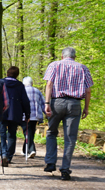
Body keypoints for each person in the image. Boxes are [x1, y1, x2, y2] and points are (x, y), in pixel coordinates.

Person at [43, 47, 93, 180]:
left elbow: (49, 85)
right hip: (75, 104)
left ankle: (50, 163)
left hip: (57, 102)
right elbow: (88, 91)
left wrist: (47, 103)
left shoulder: (54, 65)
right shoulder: (83, 68)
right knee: (70, 138)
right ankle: (65, 169)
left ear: (62, 56)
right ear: (75, 57)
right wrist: (86, 108)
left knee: (51, 132)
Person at [0, 66, 30, 166]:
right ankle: (8, 157)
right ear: (17, 75)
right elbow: (25, 101)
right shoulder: (20, 85)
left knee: (2, 134)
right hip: (15, 113)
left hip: (1, 112)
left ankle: (3, 153)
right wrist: (27, 114)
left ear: (7, 73)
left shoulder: (0, 83)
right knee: (12, 135)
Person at [21, 76, 46, 158]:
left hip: (24, 115)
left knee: (27, 133)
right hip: (35, 116)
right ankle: (25, 150)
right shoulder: (37, 91)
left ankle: (31, 150)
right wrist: (47, 113)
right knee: (30, 132)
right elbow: (43, 104)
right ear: (32, 83)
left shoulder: (22, 91)